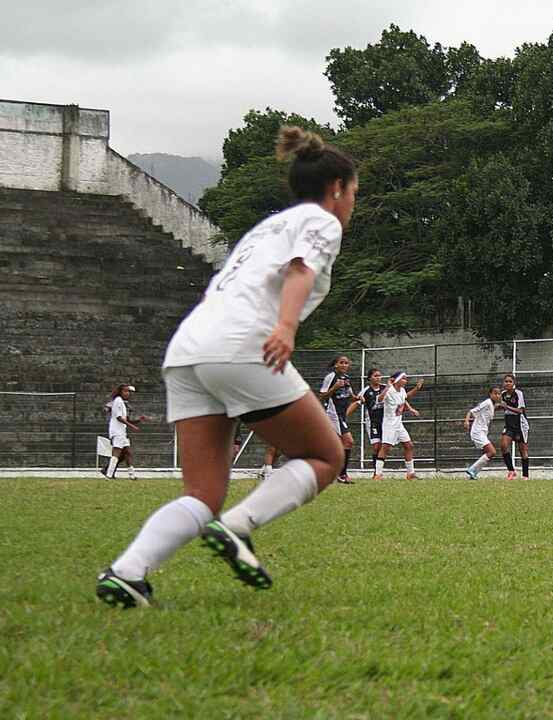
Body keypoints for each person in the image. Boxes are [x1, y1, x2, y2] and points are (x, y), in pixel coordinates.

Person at [96, 126, 357, 609]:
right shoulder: (322, 222)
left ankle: (128, 572)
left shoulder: (265, 229)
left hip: (189, 348)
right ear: (337, 188)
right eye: (354, 192)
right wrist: (285, 327)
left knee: (202, 492)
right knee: (326, 456)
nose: (353, 203)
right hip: (243, 345)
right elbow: (301, 269)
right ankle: (239, 526)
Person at [372, 371, 424, 480]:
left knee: (409, 445)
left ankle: (410, 474)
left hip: (398, 424)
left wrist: (416, 389)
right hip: (389, 424)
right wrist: (387, 387)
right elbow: (379, 399)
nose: (406, 380)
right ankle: (377, 474)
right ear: (396, 380)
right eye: (403, 378)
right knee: (385, 448)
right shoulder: (389, 390)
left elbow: (405, 398)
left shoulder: (402, 390)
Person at [319, 355, 356, 483]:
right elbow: (322, 395)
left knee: (337, 444)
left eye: (347, 363)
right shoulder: (331, 377)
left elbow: (349, 395)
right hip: (332, 413)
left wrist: (357, 398)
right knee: (348, 441)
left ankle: (331, 471)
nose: (345, 365)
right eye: (342, 362)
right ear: (336, 365)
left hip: (342, 414)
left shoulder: (346, 378)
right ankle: (342, 474)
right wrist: (334, 387)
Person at [346, 368, 385, 478]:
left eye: (379, 375)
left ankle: (378, 472)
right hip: (372, 422)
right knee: (376, 446)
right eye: (375, 376)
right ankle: (376, 473)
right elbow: (356, 403)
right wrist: (344, 417)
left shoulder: (385, 388)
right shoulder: (366, 391)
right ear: (369, 378)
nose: (378, 378)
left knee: (384, 446)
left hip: (385, 421)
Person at [103, 384, 146, 480]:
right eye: (125, 391)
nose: (128, 393)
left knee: (128, 453)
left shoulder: (122, 402)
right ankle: (108, 475)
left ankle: (132, 475)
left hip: (122, 431)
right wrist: (133, 426)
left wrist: (139, 420)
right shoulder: (118, 401)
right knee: (116, 453)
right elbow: (119, 418)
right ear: (120, 392)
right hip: (117, 431)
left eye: (128, 391)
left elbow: (126, 419)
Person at [463, 388, 502, 480]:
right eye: (495, 393)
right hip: (478, 431)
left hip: (482, 432)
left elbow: (490, 410)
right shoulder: (487, 402)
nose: (497, 395)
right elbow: (472, 411)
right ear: (490, 394)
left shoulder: (491, 405)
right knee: (492, 452)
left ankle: (473, 473)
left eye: (499, 394)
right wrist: (466, 421)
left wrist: (499, 406)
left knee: (490, 453)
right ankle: (472, 469)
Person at [498, 373, 530, 480]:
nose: (507, 383)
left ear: (514, 383)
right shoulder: (502, 394)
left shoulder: (518, 394)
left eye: (510, 381)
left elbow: (520, 410)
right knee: (503, 445)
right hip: (509, 424)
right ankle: (511, 471)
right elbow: (501, 407)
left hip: (520, 424)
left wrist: (506, 406)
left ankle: (525, 476)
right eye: (506, 381)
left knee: (523, 450)